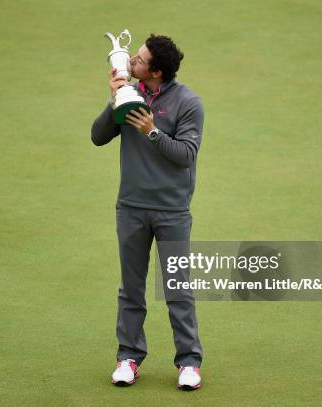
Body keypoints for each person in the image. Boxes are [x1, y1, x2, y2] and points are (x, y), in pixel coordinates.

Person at [91, 34, 205, 391]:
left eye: (139, 61)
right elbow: (97, 137)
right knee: (131, 289)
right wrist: (114, 103)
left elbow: (186, 154)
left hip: (172, 212)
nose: (131, 63)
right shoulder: (130, 94)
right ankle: (128, 357)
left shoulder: (188, 102)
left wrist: (152, 131)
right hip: (131, 209)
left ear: (156, 71)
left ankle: (189, 363)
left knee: (176, 287)